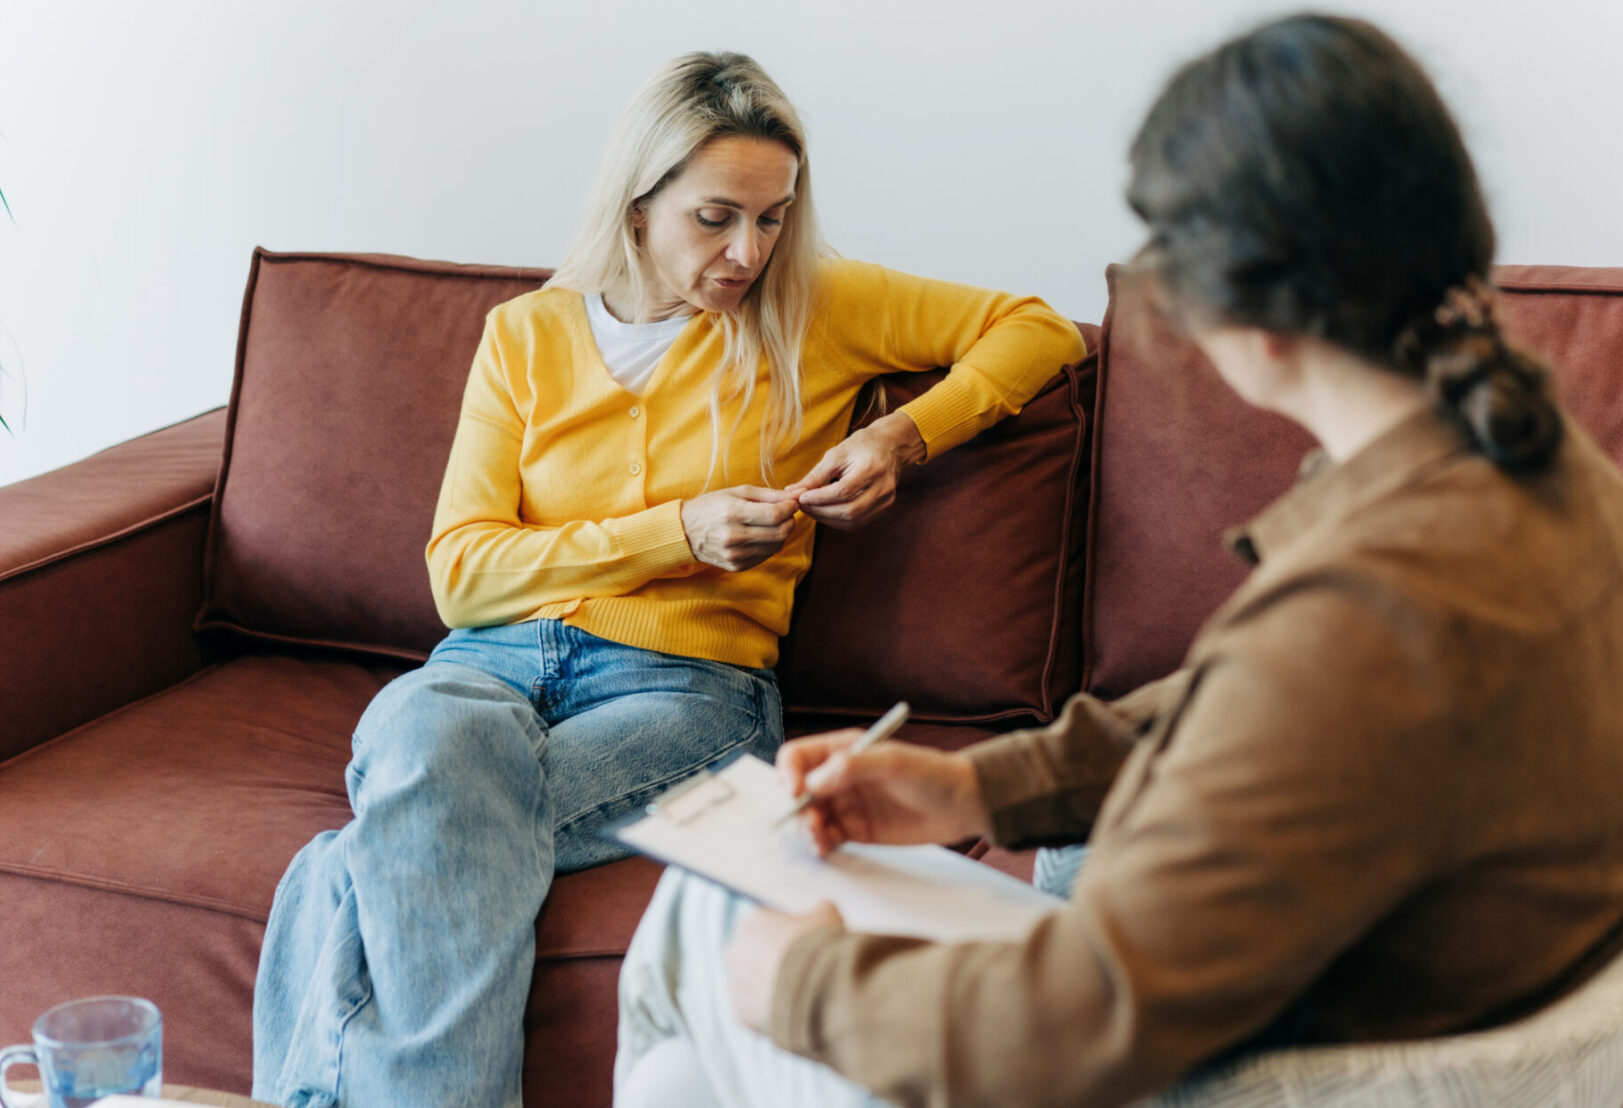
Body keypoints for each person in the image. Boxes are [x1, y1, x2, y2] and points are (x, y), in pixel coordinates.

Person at [613, 15, 1623, 1108]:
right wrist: (971, 787)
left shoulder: (1355, 612)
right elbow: (1253, 716)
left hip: (1245, 1076)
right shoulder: (1544, 473)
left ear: (1247, 306)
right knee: (681, 1078)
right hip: (1372, 1018)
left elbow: (1084, 1019)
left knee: (711, 907)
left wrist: (811, 984)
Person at [248, 51, 1083, 1108]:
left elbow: (1037, 329)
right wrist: (676, 531)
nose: (748, 252)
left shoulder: (816, 306)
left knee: (393, 838)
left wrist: (899, 439)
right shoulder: (524, 336)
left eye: (773, 218)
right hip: (484, 667)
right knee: (427, 744)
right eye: (715, 218)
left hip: (687, 688)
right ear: (637, 207)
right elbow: (460, 577)